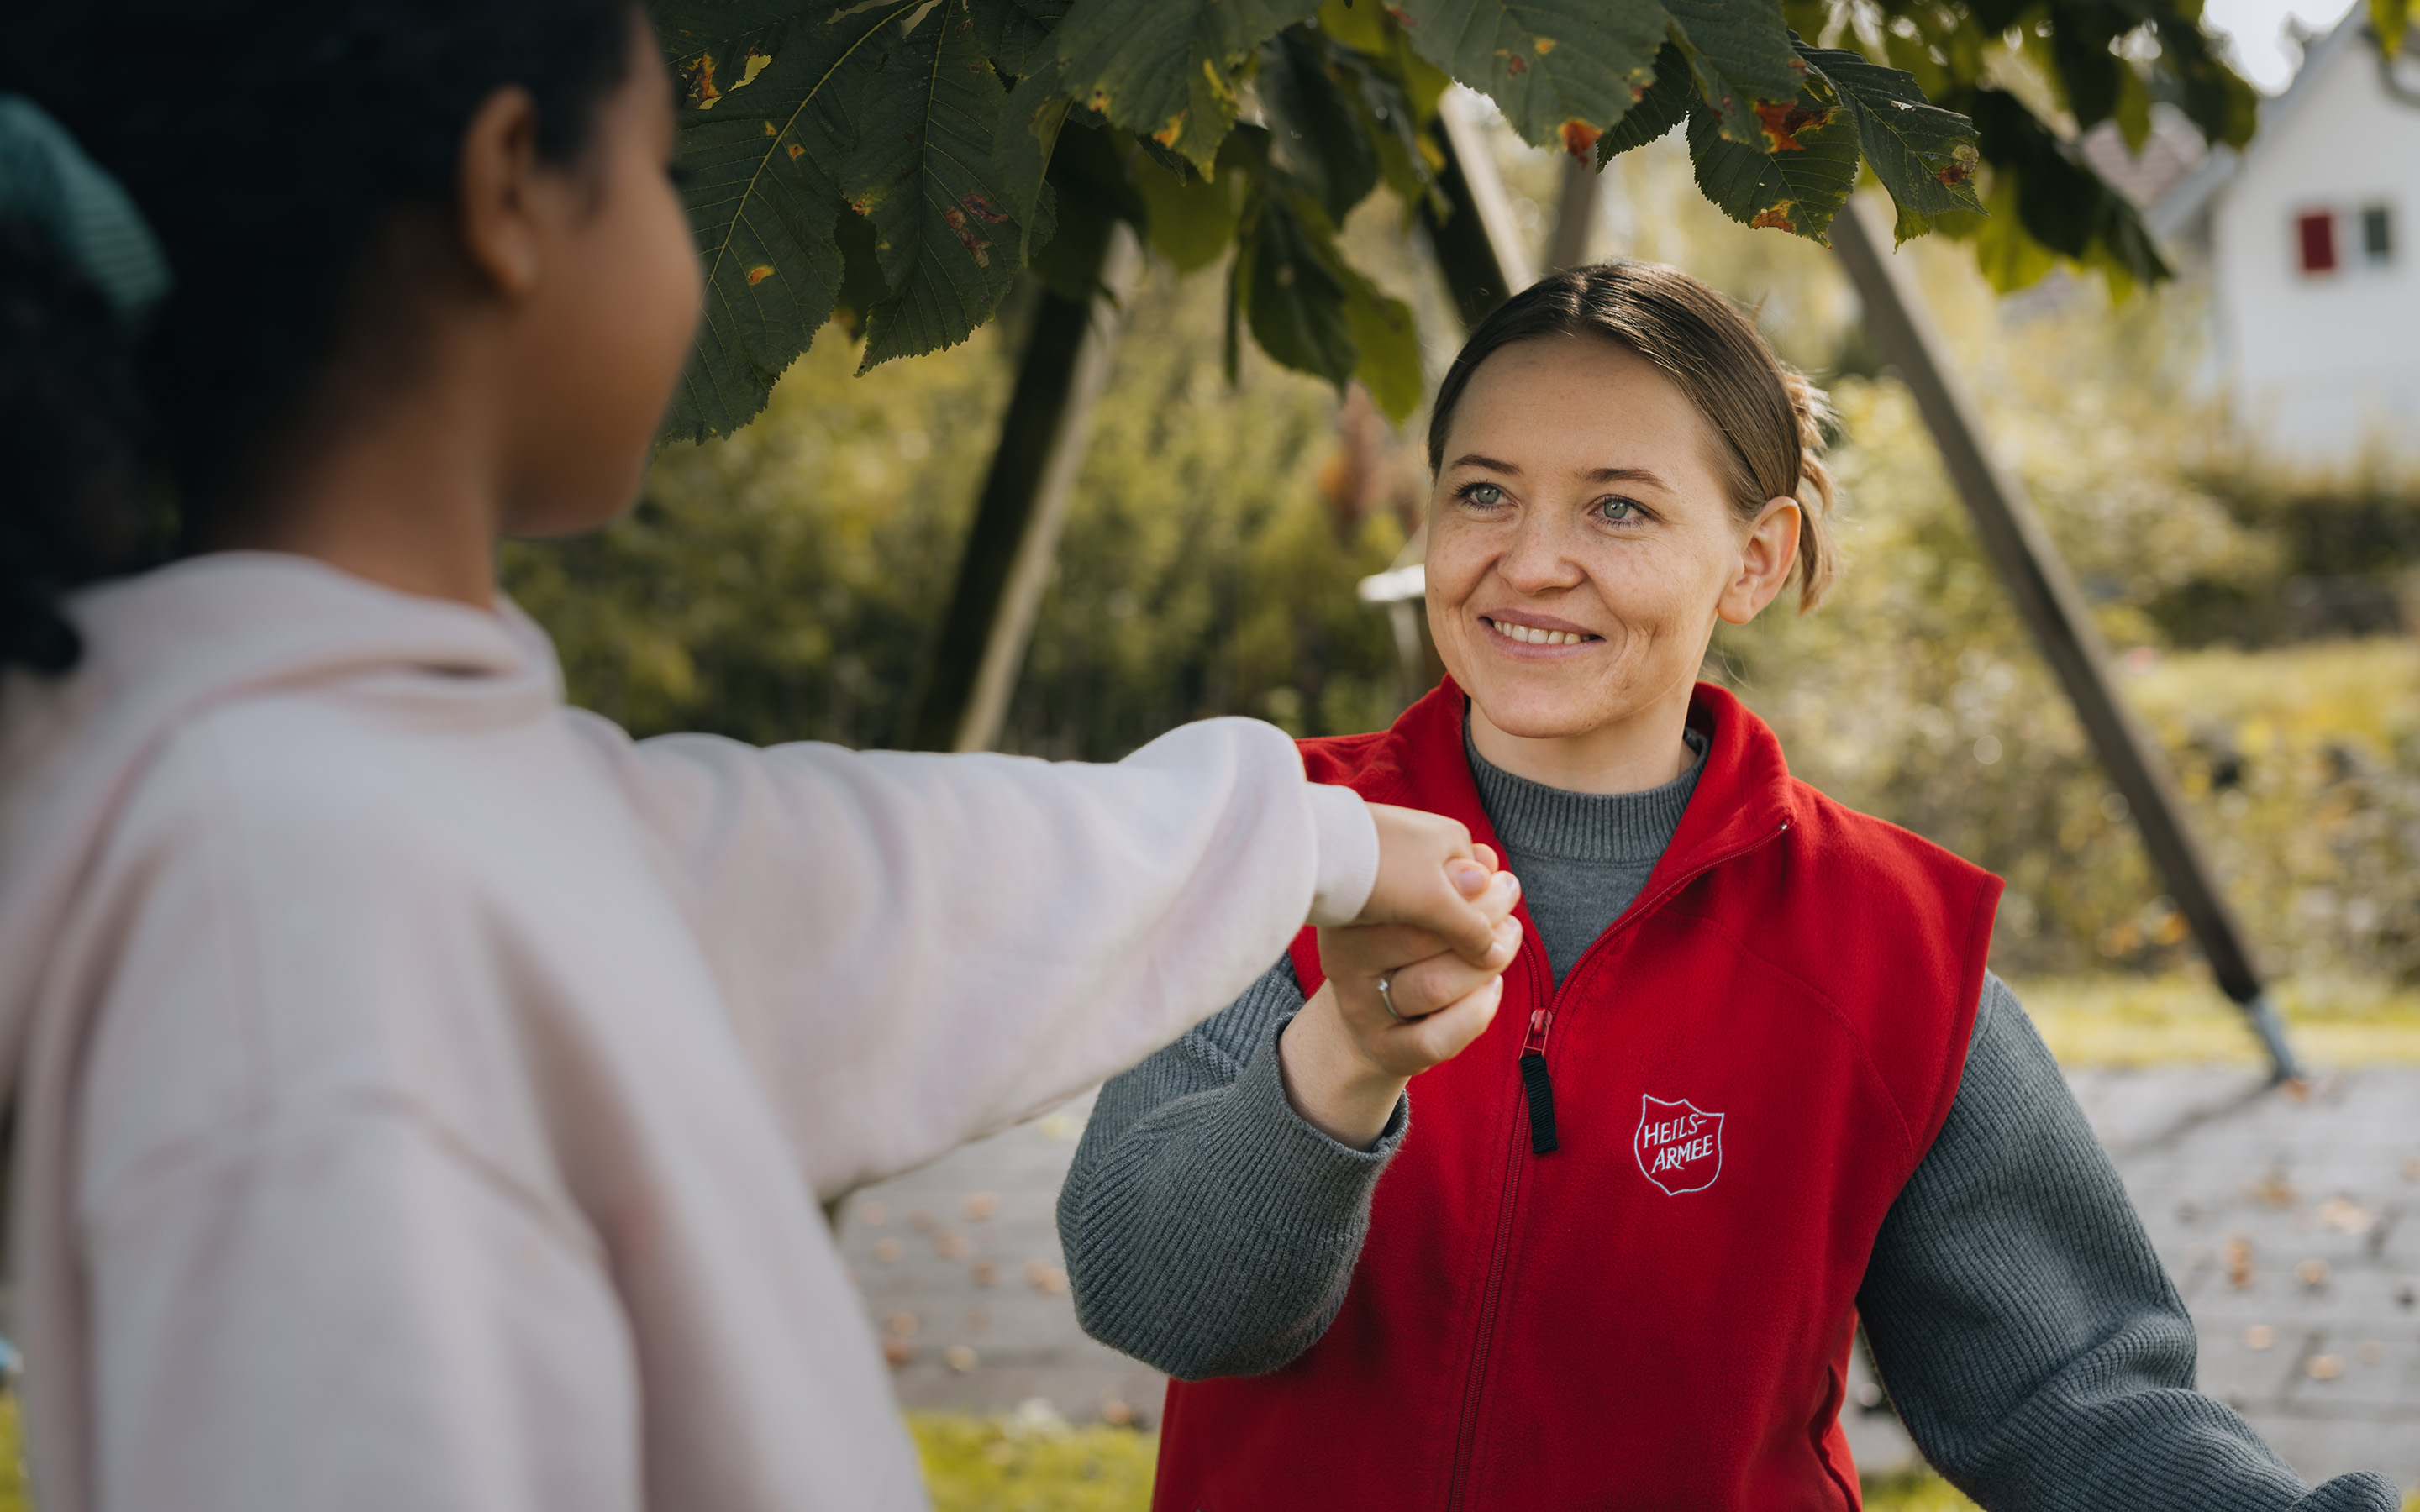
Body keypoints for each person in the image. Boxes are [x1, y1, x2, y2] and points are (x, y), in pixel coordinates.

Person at [0, 5, 1529, 1510]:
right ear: (512, 185)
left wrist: (1326, 842)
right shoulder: (291, 935)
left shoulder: (361, 785)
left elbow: (857, 883)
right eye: (670, 175)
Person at [1060, 263, 2403, 1511]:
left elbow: (2075, 1399)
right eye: (1483, 492)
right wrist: (1343, 1059)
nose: (1531, 560)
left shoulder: (1892, 950)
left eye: (1619, 507)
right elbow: (1157, 1303)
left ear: (1754, 559)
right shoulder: (1276, 843)